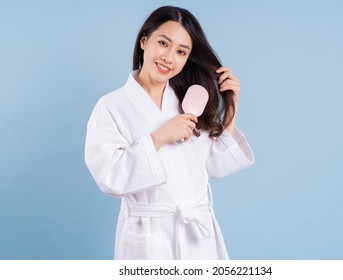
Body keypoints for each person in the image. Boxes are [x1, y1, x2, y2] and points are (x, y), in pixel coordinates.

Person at [85, 5, 254, 260]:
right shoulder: (111, 107)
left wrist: (231, 104)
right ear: (144, 41)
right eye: (163, 43)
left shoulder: (190, 100)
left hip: (197, 234)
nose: (169, 57)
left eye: (181, 51)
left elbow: (216, 165)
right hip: (149, 238)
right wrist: (159, 137)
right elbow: (110, 176)